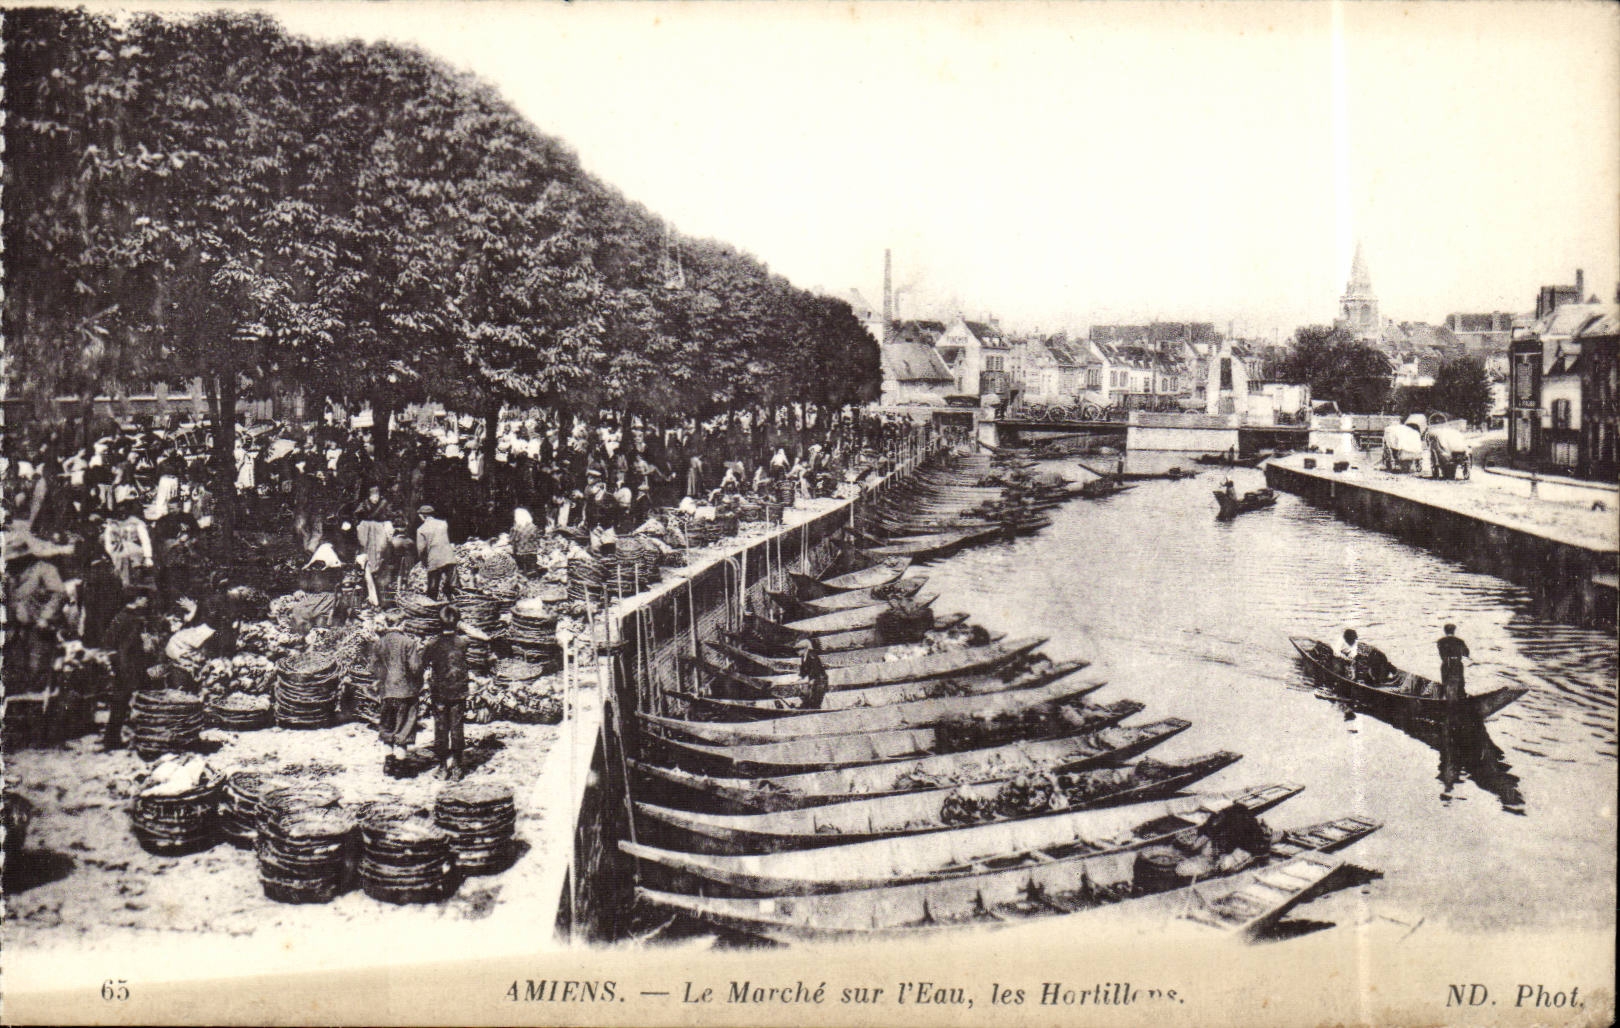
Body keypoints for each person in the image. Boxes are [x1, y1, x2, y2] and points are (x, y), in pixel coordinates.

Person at [423, 606, 488, 781]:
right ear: (457, 622)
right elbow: (481, 640)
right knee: (457, 728)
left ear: (439, 622)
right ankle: (458, 767)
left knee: (440, 728)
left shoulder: (432, 643)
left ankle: (443, 767)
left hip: (439, 693)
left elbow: (424, 663)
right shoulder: (463, 642)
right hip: (459, 691)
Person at [101, 589, 157, 749]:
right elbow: (138, 645)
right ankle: (144, 737)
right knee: (134, 700)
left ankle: (112, 739)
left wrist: (114, 662)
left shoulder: (120, 617)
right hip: (130, 665)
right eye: (144, 598)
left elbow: (109, 642)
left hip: (122, 664)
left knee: (120, 701)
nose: (146, 602)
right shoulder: (134, 620)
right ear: (136, 599)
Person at [371, 610, 425, 777]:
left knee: (387, 726)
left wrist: (382, 683)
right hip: (406, 692)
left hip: (387, 692)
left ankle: (388, 763)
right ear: (403, 625)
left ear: (387, 624)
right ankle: (401, 766)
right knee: (404, 727)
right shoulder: (408, 642)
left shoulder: (379, 643)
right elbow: (415, 668)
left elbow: (374, 668)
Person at [415, 505, 457, 599]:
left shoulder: (421, 529)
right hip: (449, 558)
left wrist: (424, 562)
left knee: (432, 591)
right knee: (452, 588)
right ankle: (453, 609)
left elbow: (421, 549)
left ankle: (432, 610)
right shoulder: (443, 524)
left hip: (435, 560)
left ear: (422, 516)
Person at [1436, 623, 1471, 702]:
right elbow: (1467, 653)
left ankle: (1446, 700)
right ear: (1454, 631)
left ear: (1445, 631)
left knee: (1446, 683)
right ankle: (1462, 699)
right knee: (1460, 684)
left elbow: (1441, 653)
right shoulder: (1460, 641)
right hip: (1457, 664)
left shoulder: (1440, 641)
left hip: (1446, 664)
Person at [795, 637, 829, 710]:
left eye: (798, 649)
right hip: (814, 679)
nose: (797, 652)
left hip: (820, 680)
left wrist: (811, 679)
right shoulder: (803, 657)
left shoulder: (812, 656)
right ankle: (806, 706)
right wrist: (801, 677)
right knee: (807, 694)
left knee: (816, 698)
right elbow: (803, 670)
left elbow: (815, 669)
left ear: (805, 649)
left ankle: (813, 708)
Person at [509, 506, 542, 576]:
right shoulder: (533, 527)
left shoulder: (516, 528)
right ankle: (532, 569)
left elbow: (512, 540)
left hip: (520, 554)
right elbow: (537, 540)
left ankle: (521, 569)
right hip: (532, 553)